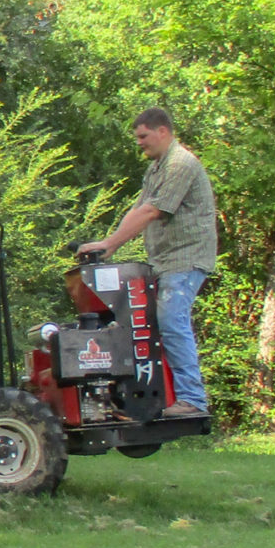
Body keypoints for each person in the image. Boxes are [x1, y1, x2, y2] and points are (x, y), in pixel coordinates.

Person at [78, 107, 218, 416]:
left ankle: (193, 400)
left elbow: (152, 211)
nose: (139, 142)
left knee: (172, 321)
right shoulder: (157, 168)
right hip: (165, 261)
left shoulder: (180, 164)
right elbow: (137, 209)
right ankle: (155, 398)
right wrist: (106, 246)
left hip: (186, 259)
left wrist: (110, 244)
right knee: (143, 323)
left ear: (163, 132)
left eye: (143, 136)